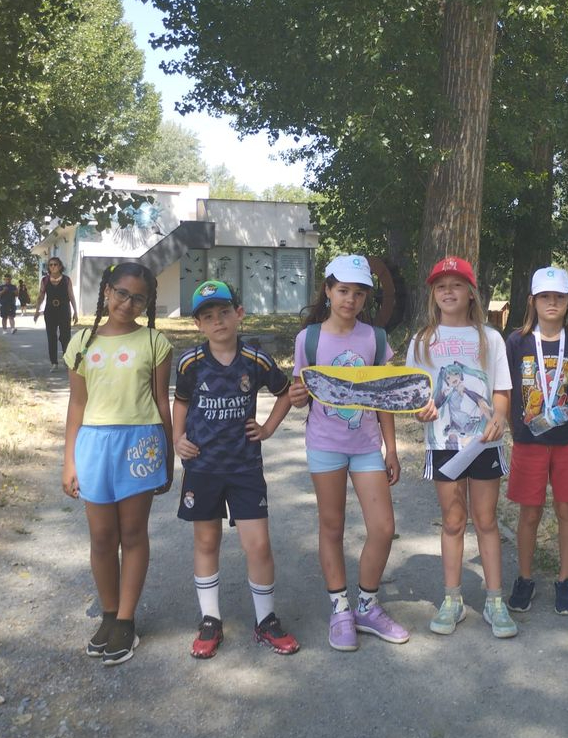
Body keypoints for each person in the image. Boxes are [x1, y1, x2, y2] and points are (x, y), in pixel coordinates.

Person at [172, 279, 300, 659]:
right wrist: (178, 438)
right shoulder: (190, 362)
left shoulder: (255, 359)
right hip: (203, 467)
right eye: (208, 316)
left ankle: (266, 620)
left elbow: (284, 393)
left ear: (239, 314)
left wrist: (268, 428)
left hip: (245, 468)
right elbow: (181, 402)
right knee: (206, 542)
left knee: (258, 544)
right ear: (198, 324)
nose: (218, 321)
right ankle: (210, 621)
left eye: (224, 312)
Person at [288, 254, 409, 652]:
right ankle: (340, 610)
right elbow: (301, 392)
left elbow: (383, 397)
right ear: (327, 290)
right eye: (342, 290)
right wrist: (297, 396)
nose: (350, 300)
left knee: (383, 527)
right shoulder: (309, 339)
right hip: (325, 445)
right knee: (332, 527)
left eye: (359, 293)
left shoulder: (375, 339)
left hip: (366, 447)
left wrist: (391, 449)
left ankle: (367, 607)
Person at [62, 262, 174, 666]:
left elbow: (161, 401)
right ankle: (109, 614)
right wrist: (68, 461)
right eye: (122, 293)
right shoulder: (82, 342)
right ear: (107, 291)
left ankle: (126, 620)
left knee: (133, 533)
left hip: (140, 444)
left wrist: (169, 455)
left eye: (138, 298)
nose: (128, 303)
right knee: (102, 537)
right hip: (94, 445)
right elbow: (77, 404)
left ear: (148, 303)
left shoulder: (155, 342)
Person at [406, 256, 514, 638]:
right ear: (433, 294)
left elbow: (501, 390)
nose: (448, 292)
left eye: (456, 285)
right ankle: (452, 599)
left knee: (486, 520)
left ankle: (495, 601)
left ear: (471, 292)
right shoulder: (422, 341)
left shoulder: (490, 338)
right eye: (440, 286)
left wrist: (499, 416)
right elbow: (415, 394)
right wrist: (420, 410)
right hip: (444, 444)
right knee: (453, 521)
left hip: (484, 445)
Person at [505, 267, 568, 617]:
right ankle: (525, 578)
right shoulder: (516, 342)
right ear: (533, 301)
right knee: (529, 512)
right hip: (528, 441)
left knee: (566, 509)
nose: (552, 302)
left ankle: (564, 580)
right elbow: (508, 389)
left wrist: (557, 415)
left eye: (559, 296)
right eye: (545, 296)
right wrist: (519, 426)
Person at [34, 257, 79, 372]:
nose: (53, 266)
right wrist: (37, 310)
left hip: (64, 310)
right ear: (48, 267)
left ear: (60, 266)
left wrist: (75, 311)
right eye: (50, 265)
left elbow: (71, 295)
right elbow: (41, 296)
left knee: (65, 336)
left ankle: (66, 359)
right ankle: (54, 362)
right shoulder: (45, 280)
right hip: (50, 311)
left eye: (55, 264)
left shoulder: (66, 280)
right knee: (51, 336)